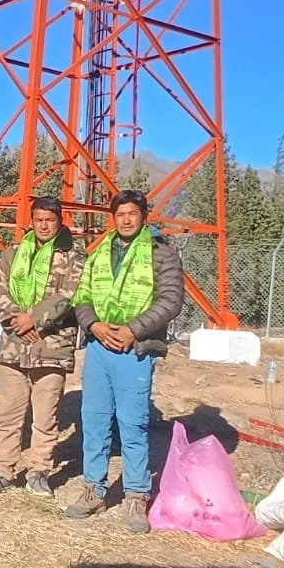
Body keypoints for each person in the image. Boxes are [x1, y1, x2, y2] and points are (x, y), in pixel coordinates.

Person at [65, 189, 184, 534]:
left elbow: (171, 300)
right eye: (120, 214)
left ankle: (135, 494)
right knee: (95, 419)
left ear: (144, 216)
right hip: (99, 346)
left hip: (135, 350)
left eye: (133, 213)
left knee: (133, 424)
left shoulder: (161, 253)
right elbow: (82, 296)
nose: (126, 220)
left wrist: (134, 330)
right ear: (113, 218)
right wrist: (94, 325)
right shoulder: (100, 252)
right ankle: (93, 488)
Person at [0, 196, 84, 498]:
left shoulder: (74, 256)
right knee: (8, 415)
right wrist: (15, 320)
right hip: (14, 347)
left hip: (51, 348)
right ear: (31, 221)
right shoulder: (14, 253)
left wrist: (34, 319)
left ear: (60, 221)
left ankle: (39, 471)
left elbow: (70, 294)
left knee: (45, 419)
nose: (44, 225)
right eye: (38, 220)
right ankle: (2, 469)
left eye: (50, 220)